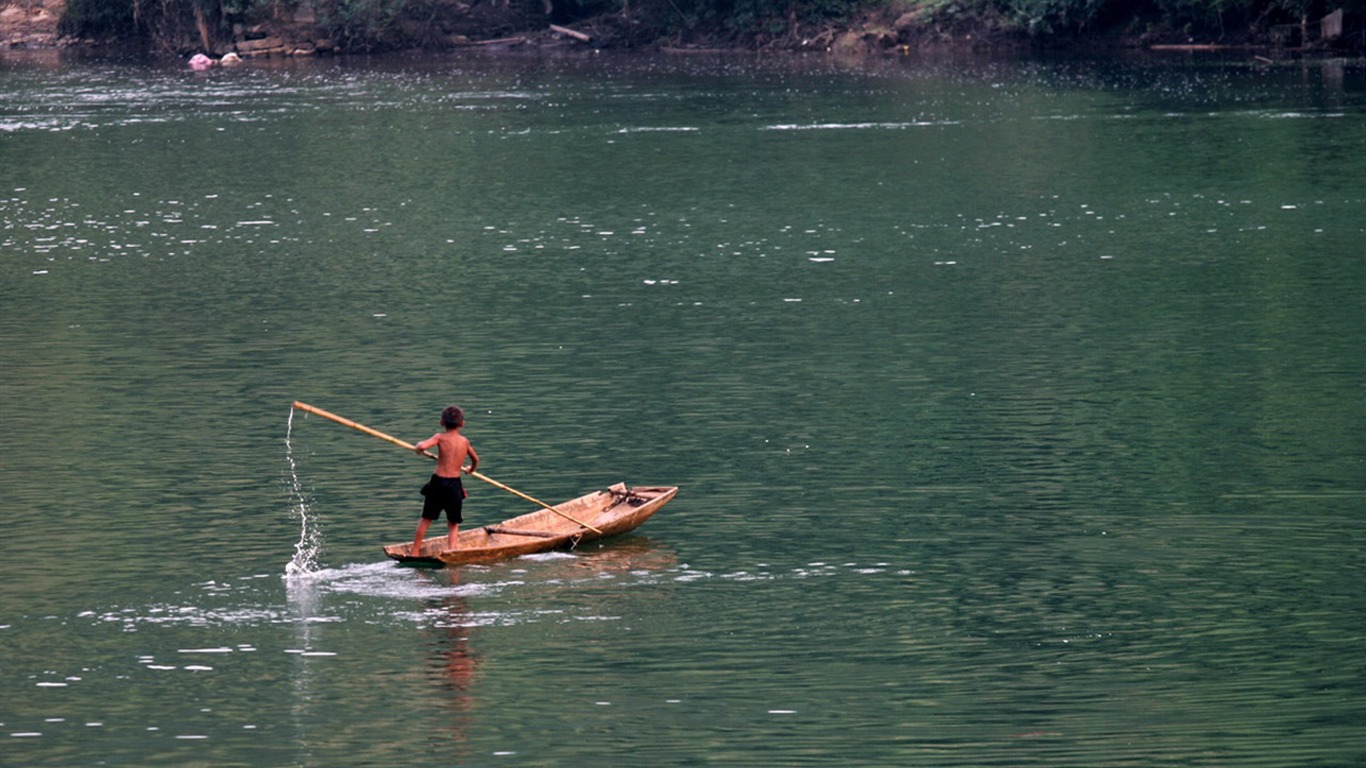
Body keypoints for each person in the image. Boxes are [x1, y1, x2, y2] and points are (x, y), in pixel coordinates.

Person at [410, 405, 479, 556]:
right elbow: (475, 460)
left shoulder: (440, 437)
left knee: (426, 518)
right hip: (454, 485)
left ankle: (415, 551)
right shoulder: (464, 442)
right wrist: (470, 469)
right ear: (462, 423)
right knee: (453, 523)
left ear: (442, 422)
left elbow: (422, 446)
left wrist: (418, 448)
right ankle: (452, 551)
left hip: (438, 483)